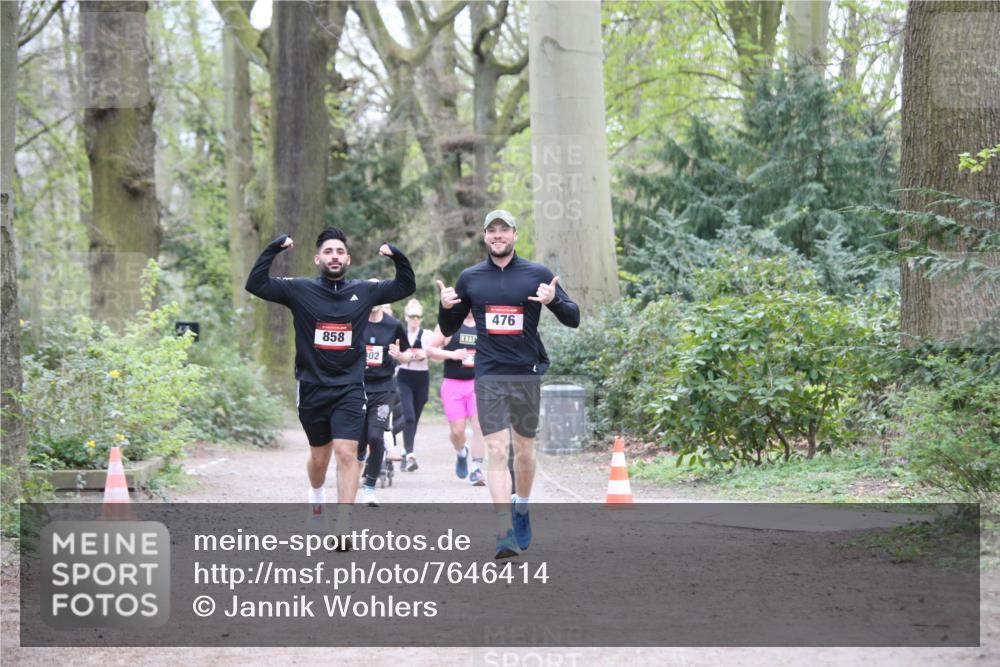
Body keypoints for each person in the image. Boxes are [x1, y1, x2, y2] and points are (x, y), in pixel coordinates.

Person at [246, 228, 415, 536]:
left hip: (351, 386)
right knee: (319, 457)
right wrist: (274, 248)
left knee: (347, 452)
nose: (334, 256)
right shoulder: (299, 289)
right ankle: (316, 497)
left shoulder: (365, 291)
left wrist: (397, 255)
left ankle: (344, 526)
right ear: (317, 259)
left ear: (347, 259)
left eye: (339, 252)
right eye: (328, 252)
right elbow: (255, 284)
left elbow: (406, 285)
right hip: (312, 386)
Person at [436, 210, 580, 558]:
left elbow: (573, 317)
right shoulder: (471, 278)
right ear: (485, 237)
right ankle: (504, 532)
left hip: (525, 373)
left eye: (504, 230)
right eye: (492, 231)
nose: (498, 236)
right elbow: (450, 324)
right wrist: (443, 307)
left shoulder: (537, 274)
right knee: (498, 451)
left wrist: (554, 301)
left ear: (515, 235)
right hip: (488, 375)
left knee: (525, 450)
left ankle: (522, 507)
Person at [359, 297, 411, 506]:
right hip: (357, 387)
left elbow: (408, 355)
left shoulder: (393, 325)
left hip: (383, 388)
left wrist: (400, 355)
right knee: (358, 442)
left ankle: (369, 488)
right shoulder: (355, 320)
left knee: (376, 436)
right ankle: (356, 467)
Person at [425, 312, 487, 486]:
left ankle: (476, 469)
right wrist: (452, 354)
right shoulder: (450, 322)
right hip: (453, 384)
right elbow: (430, 350)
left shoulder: (483, 323)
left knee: (478, 426)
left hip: (477, 383)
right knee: (458, 431)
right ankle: (461, 452)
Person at [394, 298, 432, 472]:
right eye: (412, 316)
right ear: (406, 317)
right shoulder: (400, 334)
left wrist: (419, 354)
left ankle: (405, 452)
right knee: (408, 416)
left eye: (418, 316)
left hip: (422, 378)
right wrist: (409, 355)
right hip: (404, 377)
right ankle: (410, 454)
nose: (415, 319)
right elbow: (396, 354)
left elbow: (431, 351)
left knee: (414, 419)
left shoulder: (427, 335)